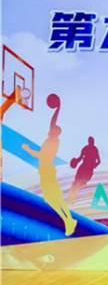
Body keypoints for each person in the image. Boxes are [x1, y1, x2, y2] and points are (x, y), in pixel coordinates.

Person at [22, 94, 77, 236]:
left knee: (54, 198)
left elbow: (41, 155)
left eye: (52, 129)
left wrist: (28, 149)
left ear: (55, 132)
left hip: (47, 171)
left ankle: (68, 220)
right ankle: (68, 220)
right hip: (46, 171)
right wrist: (57, 109)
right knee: (52, 198)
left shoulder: (52, 142)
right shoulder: (51, 140)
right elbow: (53, 122)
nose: (50, 129)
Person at [68, 137, 101, 204]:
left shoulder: (94, 149)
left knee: (80, 184)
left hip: (88, 169)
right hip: (84, 168)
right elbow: (80, 158)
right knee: (76, 182)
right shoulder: (86, 148)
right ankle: (71, 199)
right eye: (90, 141)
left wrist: (94, 165)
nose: (90, 142)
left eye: (91, 141)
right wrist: (75, 161)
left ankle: (75, 199)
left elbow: (99, 161)